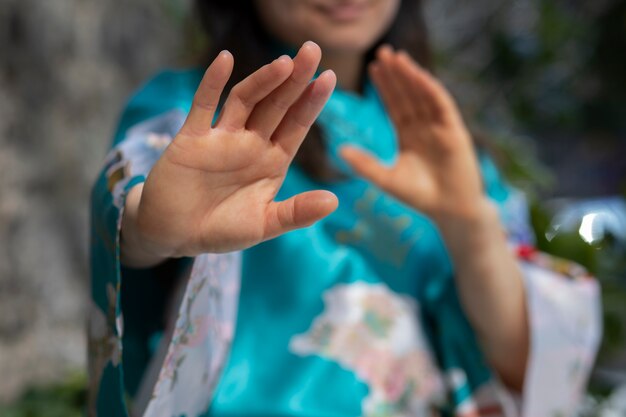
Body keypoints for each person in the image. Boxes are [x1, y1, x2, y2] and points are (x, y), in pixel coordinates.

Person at [88, 1, 602, 416]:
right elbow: (133, 217)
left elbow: (527, 366)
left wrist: (468, 221)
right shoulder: (194, 110)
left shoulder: (440, 137)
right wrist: (150, 228)